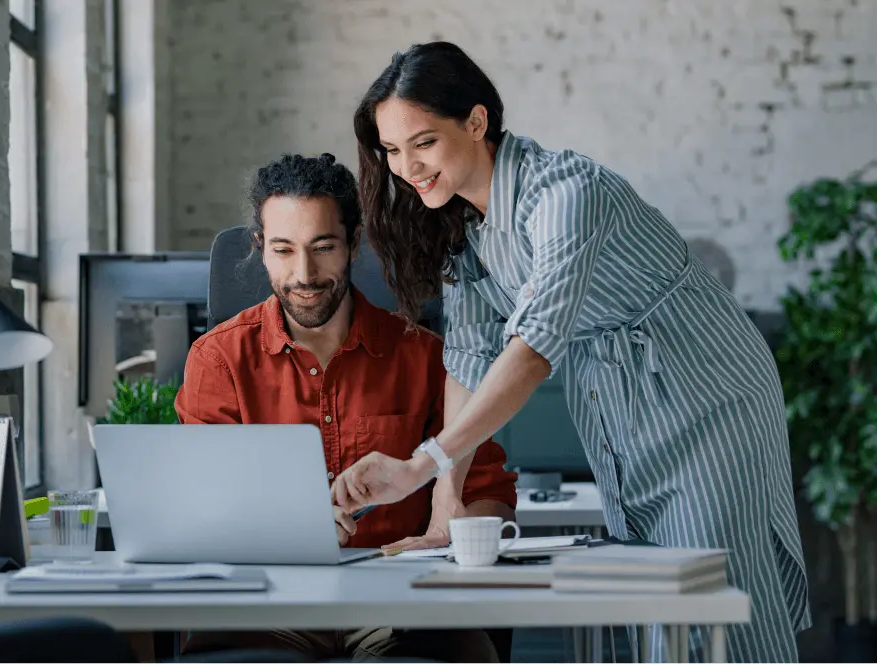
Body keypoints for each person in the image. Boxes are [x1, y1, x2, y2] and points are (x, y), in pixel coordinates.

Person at [330, 42, 811, 664]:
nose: (407, 167)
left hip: (704, 392)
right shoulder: (458, 221)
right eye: (392, 150)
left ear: (476, 122)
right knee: (647, 599)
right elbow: (472, 359)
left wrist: (419, 467)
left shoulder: (565, 192)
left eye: (423, 142)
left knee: (708, 601)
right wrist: (444, 517)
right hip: (614, 400)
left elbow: (531, 350)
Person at [174, 152, 515, 664]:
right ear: (260, 250)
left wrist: (460, 538)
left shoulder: (424, 357)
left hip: (398, 605)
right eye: (283, 250)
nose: (304, 273)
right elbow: (200, 509)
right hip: (270, 606)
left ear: (354, 245)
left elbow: (488, 489)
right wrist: (294, 532)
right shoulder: (219, 359)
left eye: (323, 247)